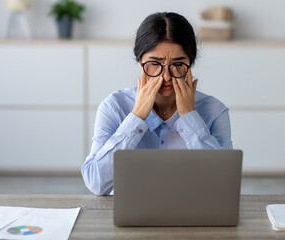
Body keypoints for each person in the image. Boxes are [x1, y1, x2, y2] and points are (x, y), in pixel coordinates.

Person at [81, 12, 233, 195]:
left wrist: (190, 116)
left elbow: (224, 185)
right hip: (131, 216)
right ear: (140, 62)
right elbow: (96, 183)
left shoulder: (214, 110)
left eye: (178, 63)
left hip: (193, 216)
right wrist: (136, 117)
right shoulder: (114, 106)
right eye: (155, 63)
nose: (167, 76)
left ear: (190, 64)